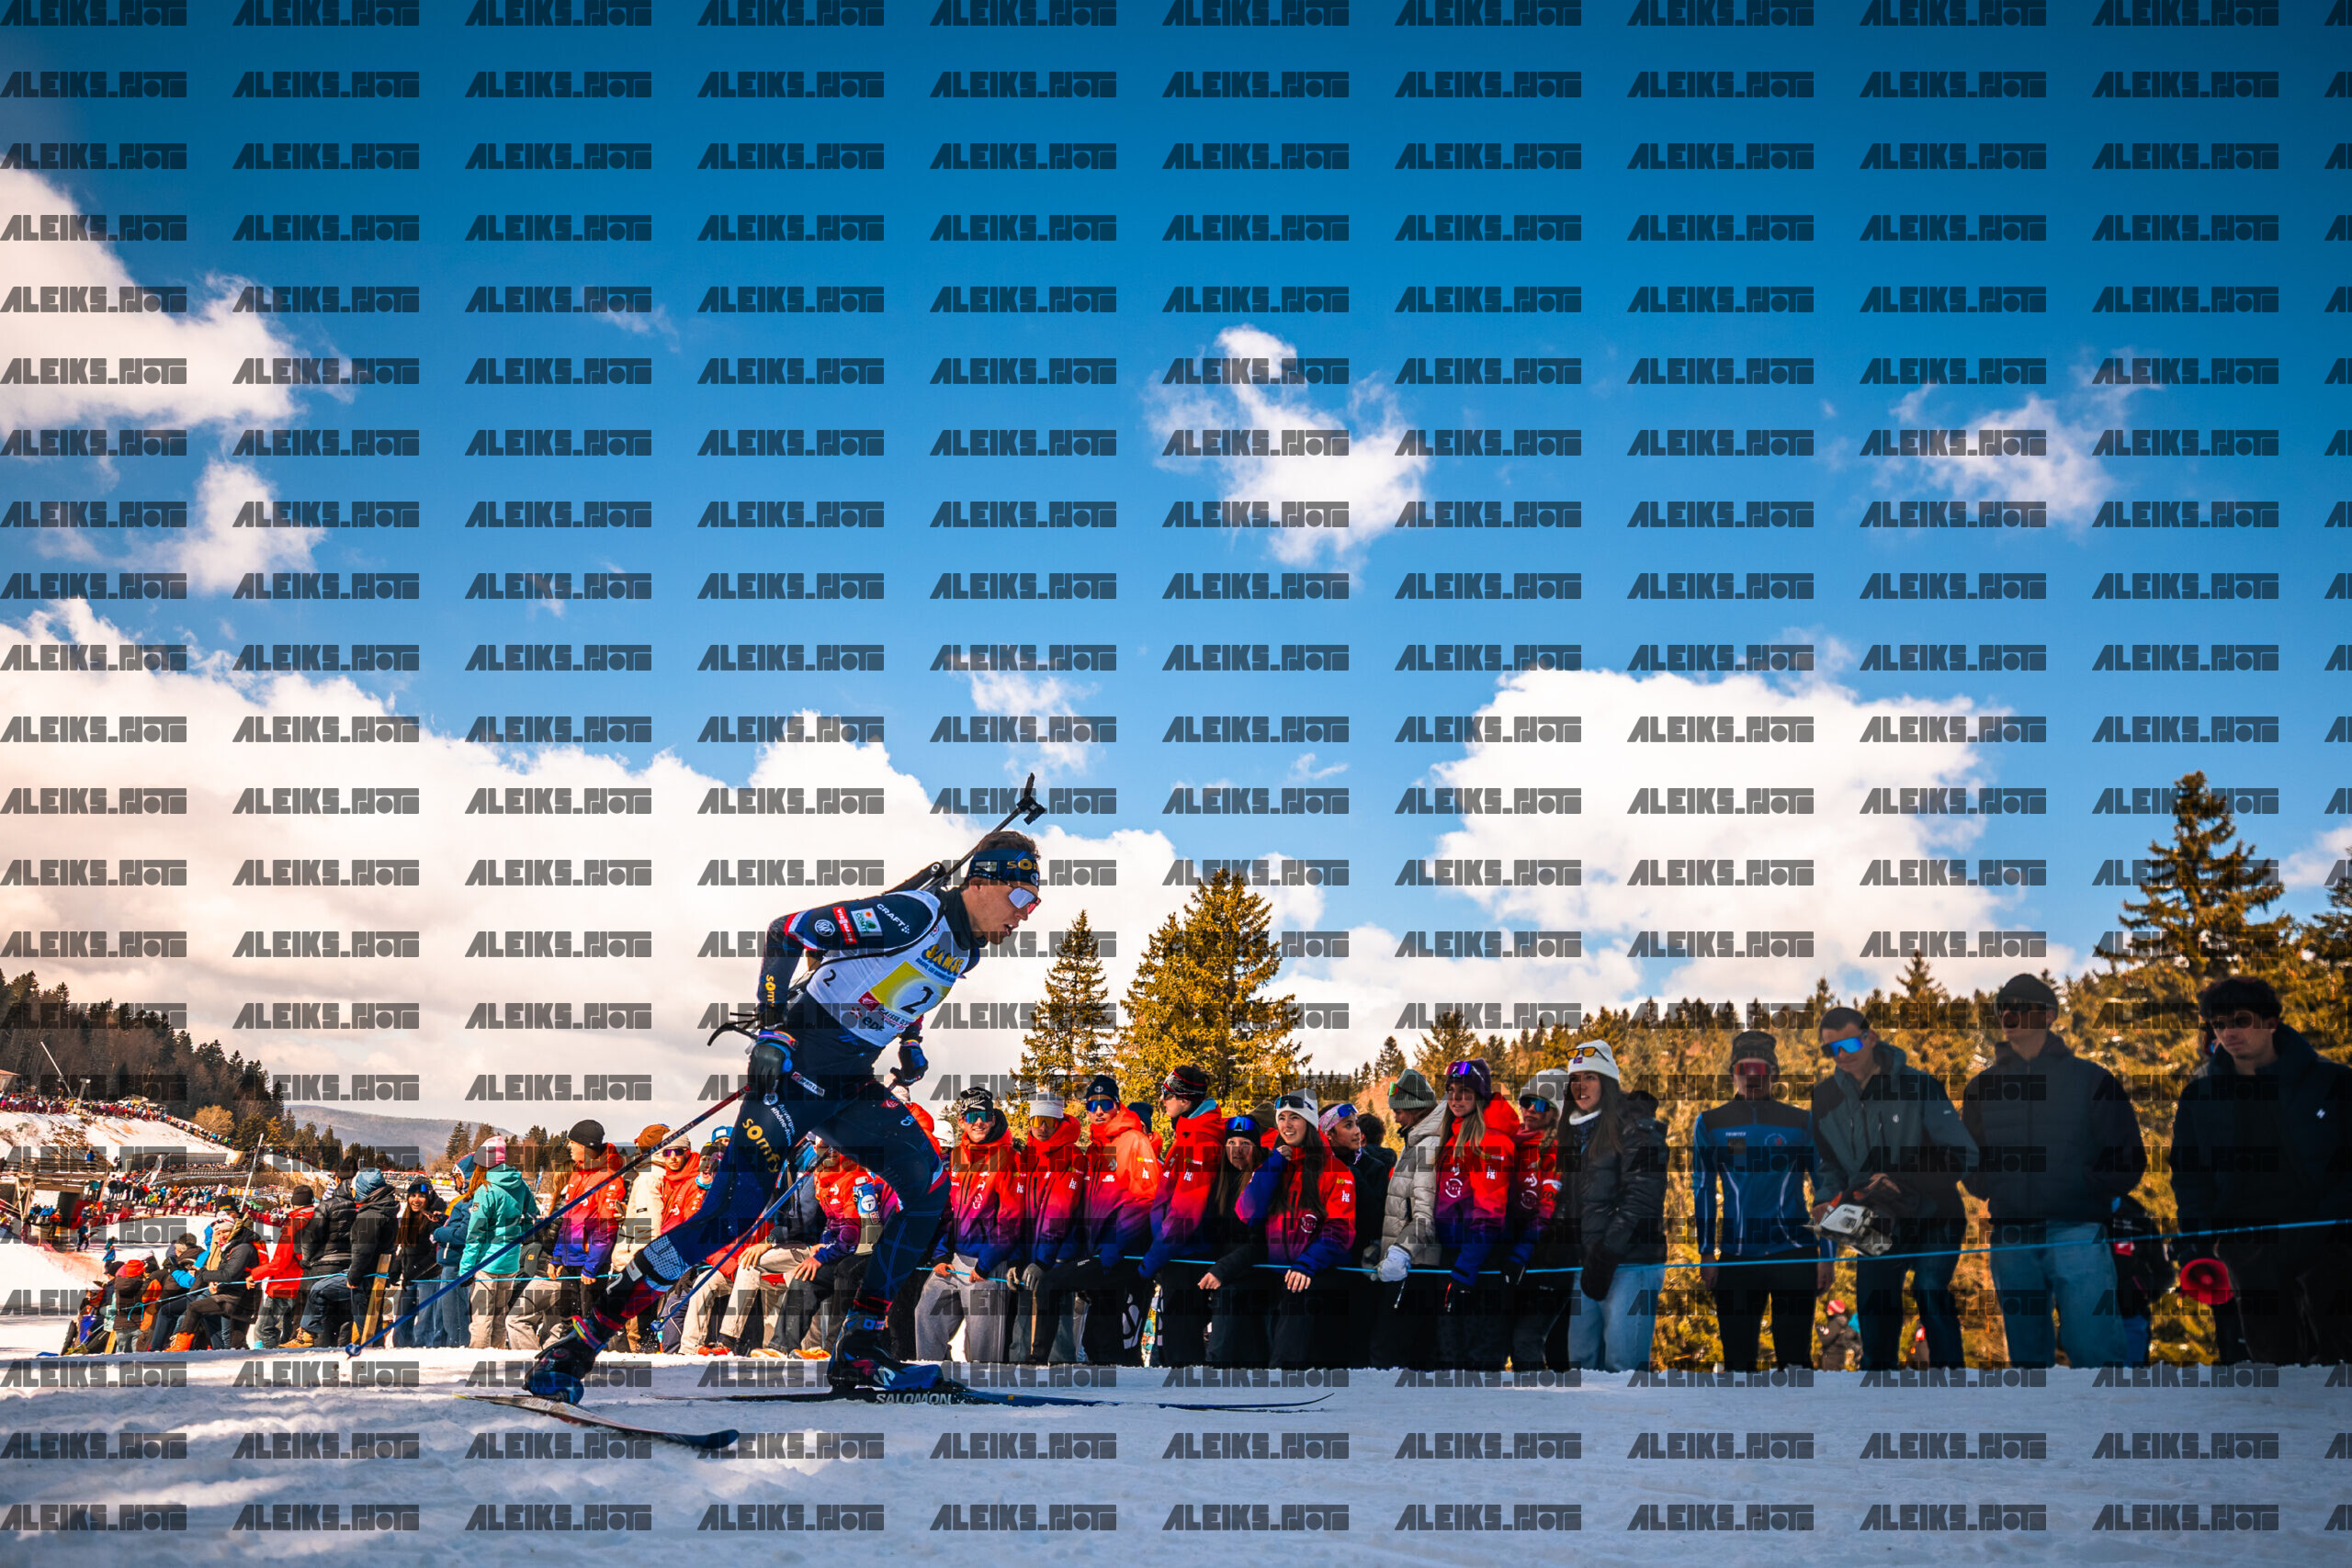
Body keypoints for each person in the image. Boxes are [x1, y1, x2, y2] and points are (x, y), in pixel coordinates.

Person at [529, 829, 1044, 1401]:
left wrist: (911, 1040)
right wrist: (773, 1029)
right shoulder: (914, 913)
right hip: (796, 1072)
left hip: (850, 1082)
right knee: (728, 1217)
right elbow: (787, 930)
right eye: (1022, 897)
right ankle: (578, 1342)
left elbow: (907, 987)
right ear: (981, 881)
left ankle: (860, 1349)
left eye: (1036, 903)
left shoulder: (967, 948)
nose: (1025, 914)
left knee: (927, 1190)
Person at [1962, 974, 2143, 1369]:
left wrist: (2084, 1190)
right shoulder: (1982, 1087)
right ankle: (2037, 1415)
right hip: (2011, 1235)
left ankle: (2106, 1413)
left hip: (2077, 1231)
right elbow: (1967, 1156)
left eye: (2019, 1007)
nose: (2008, 1015)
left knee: (2096, 1354)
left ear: (2047, 1016)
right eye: (2002, 1008)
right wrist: (1992, 1188)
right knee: (2028, 1364)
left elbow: (2127, 1156)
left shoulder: (2091, 1079)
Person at [2168, 974, 2352, 1364]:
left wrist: (2338, 1220)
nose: (2229, 1032)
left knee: (2341, 1355)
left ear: (2271, 1022)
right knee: (2270, 1362)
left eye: (2241, 1020)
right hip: (2244, 1241)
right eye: (2219, 1024)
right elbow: (2189, 1176)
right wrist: (2197, 1240)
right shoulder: (2199, 1096)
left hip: (2329, 1234)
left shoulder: (2333, 1082)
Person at [1812, 1007, 1977, 1370]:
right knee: (1875, 1307)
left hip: (1935, 1214)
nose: (1841, 1055)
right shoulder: (1824, 1098)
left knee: (1930, 1291)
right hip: (1875, 1223)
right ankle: (1878, 1390)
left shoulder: (1919, 1085)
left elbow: (1962, 1154)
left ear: (1871, 1038)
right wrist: (1826, 1199)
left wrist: (1900, 1179)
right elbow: (1829, 1166)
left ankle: (1951, 1385)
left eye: (1849, 1044)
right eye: (1831, 1049)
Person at [1692, 1032, 1831, 1371]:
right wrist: (1707, 1253)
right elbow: (1703, 1188)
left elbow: (1825, 1188)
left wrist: (1827, 1256)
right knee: (1737, 1367)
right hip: (1737, 1256)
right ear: (1732, 1074)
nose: (1752, 1077)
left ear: (1775, 1074)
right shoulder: (1710, 1123)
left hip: (1794, 1253)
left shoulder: (1801, 1121)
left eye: (1762, 1069)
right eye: (1744, 1068)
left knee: (1796, 1366)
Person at [1036, 1075, 1162, 1365]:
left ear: (1117, 1105)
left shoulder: (1134, 1140)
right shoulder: (1096, 1147)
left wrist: (1115, 1246)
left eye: (1105, 1103)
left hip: (1121, 1253)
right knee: (1099, 1337)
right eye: (1092, 1105)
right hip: (1099, 1252)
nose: (1099, 1110)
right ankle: (1114, 1387)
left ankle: (1038, 1361)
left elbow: (1144, 1199)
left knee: (1051, 1283)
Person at [1559, 1041, 1668, 1372]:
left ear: (1607, 1082)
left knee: (1622, 1367)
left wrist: (1607, 1253)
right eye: (1575, 1079)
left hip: (1630, 1262)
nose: (1581, 1086)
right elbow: (1571, 1200)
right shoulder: (1574, 1131)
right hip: (1587, 1263)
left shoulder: (1637, 1125)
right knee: (1580, 1366)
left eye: (1590, 1077)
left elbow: (1644, 1197)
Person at [1233, 1092, 1356, 1368]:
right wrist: (1273, 1166)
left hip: (1314, 1280)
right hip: (1275, 1279)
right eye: (1282, 1118)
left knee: (1290, 1362)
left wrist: (1307, 1264)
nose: (1287, 1125)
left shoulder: (1335, 1170)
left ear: (1310, 1122)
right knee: (1263, 1355)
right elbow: (1247, 1212)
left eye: (1295, 1118)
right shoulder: (1274, 1164)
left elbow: (1340, 1229)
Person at [916, 1087, 1027, 1366]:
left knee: (982, 1349)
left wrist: (986, 1263)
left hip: (985, 1264)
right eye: (971, 1116)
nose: (978, 1122)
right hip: (954, 1260)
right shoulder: (956, 1157)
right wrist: (940, 1255)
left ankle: (985, 1388)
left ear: (993, 1118)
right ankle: (931, 1375)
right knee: (926, 1314)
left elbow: (1011, 1219)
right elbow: (947, 1212)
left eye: (984, 1115)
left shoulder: (1008, 1158)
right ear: (962, 1120)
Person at [1428, 1059, 1522, 1370]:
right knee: (1449, 1352)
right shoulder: (1452, 1135)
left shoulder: (1492, 1140)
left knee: (1477, 1355)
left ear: (1480, 1095)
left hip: (1482, 1260)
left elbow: (1490, 1211)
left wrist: (1467, 1265)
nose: (1456, 1098)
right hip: (1453, 1255)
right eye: (1451, 1091)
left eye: (1465, 1091)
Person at [514, 1122, 627, 1353]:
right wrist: (557, 1258)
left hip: (589, 1263)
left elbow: (605, 1228)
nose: (569, 1147)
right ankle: (565, 1361)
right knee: (568, 1318)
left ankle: (594, 1361)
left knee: (589, 1321)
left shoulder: (608, 1177)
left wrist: (592, 1265)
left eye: (573, 1143)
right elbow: (567, 1223)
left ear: (587, 1145)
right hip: (569, 1260)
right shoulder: (578, 1173)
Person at [1142, 1066, 1227, 1367]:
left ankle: (1189, 1390)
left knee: (1182, 1343)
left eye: (1167, 1095)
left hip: (1188, 1256)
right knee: (1173, 1340)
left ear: (1185, 1100)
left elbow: (1186, 1212)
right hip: (1176, 1254)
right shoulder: (1186, 1134)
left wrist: (1155, 1256)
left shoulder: (1202, 1140)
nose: (1162, 1100)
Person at [1369, 1070, 1444, 1369]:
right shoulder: (1414, 1143)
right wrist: (1382, 1248)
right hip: (1403, 1267)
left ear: (1416, 1108)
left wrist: (1401, 1251)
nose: (1396, 1117)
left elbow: (1425, 1215)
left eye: (1399, 1111)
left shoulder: (1427, 1147)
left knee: (1393, 1352)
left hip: (1416, 1267)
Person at [1505, 1066, 1571, 1371]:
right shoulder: (1510, 1143)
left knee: (1528, 1341)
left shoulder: (1558, 1149)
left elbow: (1547, 1208)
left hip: (1547, 1260)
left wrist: (1521, 1252)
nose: (1531, 1109)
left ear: (1556, 1112)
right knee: (1509, 1339)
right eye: (1526, 1101)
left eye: (1542, 1104)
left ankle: (1539, 1398)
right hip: (1511, 1257)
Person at [1014, 1094, 1085, 1363]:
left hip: (1057, 1256)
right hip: (1029, 1255)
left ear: (1060, 1122)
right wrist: (1017, 1258)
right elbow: (1016, 1210)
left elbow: (1060, 1210)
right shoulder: (1026, 1156)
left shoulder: (1072, 1156)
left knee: (1057, 1325)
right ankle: (1018, 1373)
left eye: (1050, 1121)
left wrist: (1044, 1261)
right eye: (1038, 1120)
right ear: (1030, 1122)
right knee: (1022, 1325)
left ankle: (1062, 1371)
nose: (1042, 1128)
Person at [1199, 1113, 1272, 1366]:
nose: (1237, 1151)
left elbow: (1261, 1243)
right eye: (1231, 1143)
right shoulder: (1222, 1181)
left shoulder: (1262, 1180)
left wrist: (1222, 1270)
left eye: (1245, 1144)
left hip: (1253, 1278)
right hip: (1226, 1276)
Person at [1322, 1100, 1387, 1368]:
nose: (1357, 1131)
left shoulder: (1374, 1167)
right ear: (1328, 1133)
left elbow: (1375, 1220)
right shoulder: (1313, 1166)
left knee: (1355, 1347)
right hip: (1320, 1270)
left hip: (1358, 1272)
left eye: (1357, 1124)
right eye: (1348, 1125)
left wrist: (1351, 1176)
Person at [461, 1155, 540, 1349]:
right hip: (510, 1262)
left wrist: (466, 1268)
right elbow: (532, 1216)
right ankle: (497, 1356)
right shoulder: (521, 1185)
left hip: (486, 1263)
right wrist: (518, 1236)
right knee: (499, 1318)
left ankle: (476, 1360)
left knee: (481, 1320)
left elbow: (475, 1234)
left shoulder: (486, 1189)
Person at [293, 1173, 355, 1348]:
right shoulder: (360, 1207)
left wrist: (306, 1260)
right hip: (351, 1265)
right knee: (344, 1316)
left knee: (323, 1314)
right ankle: (341, 1350)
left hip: (325, 1264)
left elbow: (310, 1237)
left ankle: (321, 1350)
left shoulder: (327, 1206)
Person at [250, 1187, 314, 1350]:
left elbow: (280, 1261)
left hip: (285, 1283)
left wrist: (255, 1274)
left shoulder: (295, 1223)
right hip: (306, 1283)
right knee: (290, 1331)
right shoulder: (319, 1219)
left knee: (264, 1328)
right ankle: (288, 1358)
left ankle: (273, 1359)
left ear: (293, 1203)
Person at [345, 1169, 401, 1347]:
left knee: (366, 1324)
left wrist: (353, 1277)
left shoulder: (369, 1215)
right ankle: (374, 1349)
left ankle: (369, 1353)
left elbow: (363, 1250)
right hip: (378, 1274)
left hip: (366, 1278)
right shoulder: (385, 1210)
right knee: (373, 1322)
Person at [387, 1179, 446, 1348]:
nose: (416, 1200)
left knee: (424, 1326)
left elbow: (435, 1254)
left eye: (421, 1196)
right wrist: (396, 1269)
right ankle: (400, 1352)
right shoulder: (409, 1217)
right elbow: (404, 1248)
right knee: (401, 1325)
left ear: (429, 1197)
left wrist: (414, 1271)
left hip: (429, 1277)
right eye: (412, 1195)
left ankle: (423, 1354)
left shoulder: (434, 1218)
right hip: (410, 1278)